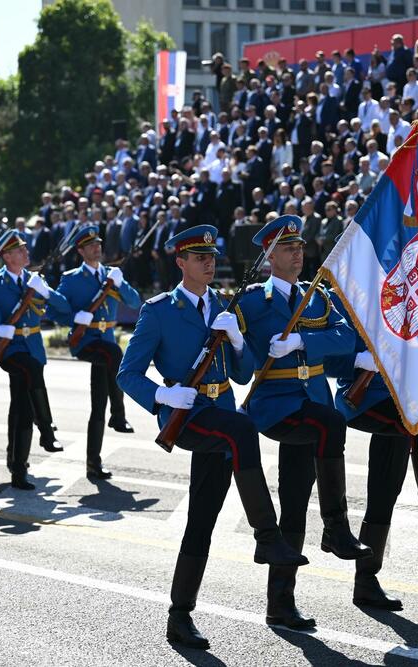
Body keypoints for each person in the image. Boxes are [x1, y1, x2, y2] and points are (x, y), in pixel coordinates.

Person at [117, 224, 307, 649]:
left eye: (212, 256)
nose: (208, 262)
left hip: (220, 416)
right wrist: (163, 394)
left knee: (201, 519)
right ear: (180, 262)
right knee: (242, 428)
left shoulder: (224, 305)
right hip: (188, 415)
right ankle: (267, 537)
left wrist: (238, 341)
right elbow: (127, 374)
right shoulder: (160, 310)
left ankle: (179, 616)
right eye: (199, 257)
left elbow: (244, 373)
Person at [236, 216, 369, 629]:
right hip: (275, 406)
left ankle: (280, 604)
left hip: (310, 401)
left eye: (300, 247)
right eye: (288, 248)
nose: (298, 253)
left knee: (294, 502)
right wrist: (239, 340)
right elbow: (240, 368)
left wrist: (303, 341)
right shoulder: (252, 303)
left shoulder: (318, 298)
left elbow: (345, 338)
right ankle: (335, 528)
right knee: (332, 424)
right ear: (269, 257)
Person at [326, 325, 418, 612]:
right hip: (365, 397)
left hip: (400, 399)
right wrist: (358, 359)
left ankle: (365, 581)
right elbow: (328, 355)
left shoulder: (408, 296)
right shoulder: (356, 291)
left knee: (385, 487)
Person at [0, 231, 70, 490]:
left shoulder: (35, 280)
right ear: (6, 257)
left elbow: (63, 308)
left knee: (21, 406)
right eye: (19, 250)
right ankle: (47, 430)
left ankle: (18, 467)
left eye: (25, 249)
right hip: (10, 349)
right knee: (30, 374)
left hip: (33, 347)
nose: (26, 252)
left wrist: (47, 292)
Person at [55, 225, 142, 477]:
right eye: (91, 245)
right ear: (81, 251)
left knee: (98, 403)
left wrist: (121, 283)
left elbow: (135, 302)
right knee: (114, 354)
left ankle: (93, 463)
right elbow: (54, 310)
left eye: (99, 243)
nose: (97, 248)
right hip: (86, 341)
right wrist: (75, 317)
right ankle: (119, 415)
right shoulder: (71, 279)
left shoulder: (111, 276)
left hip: (106, 342)